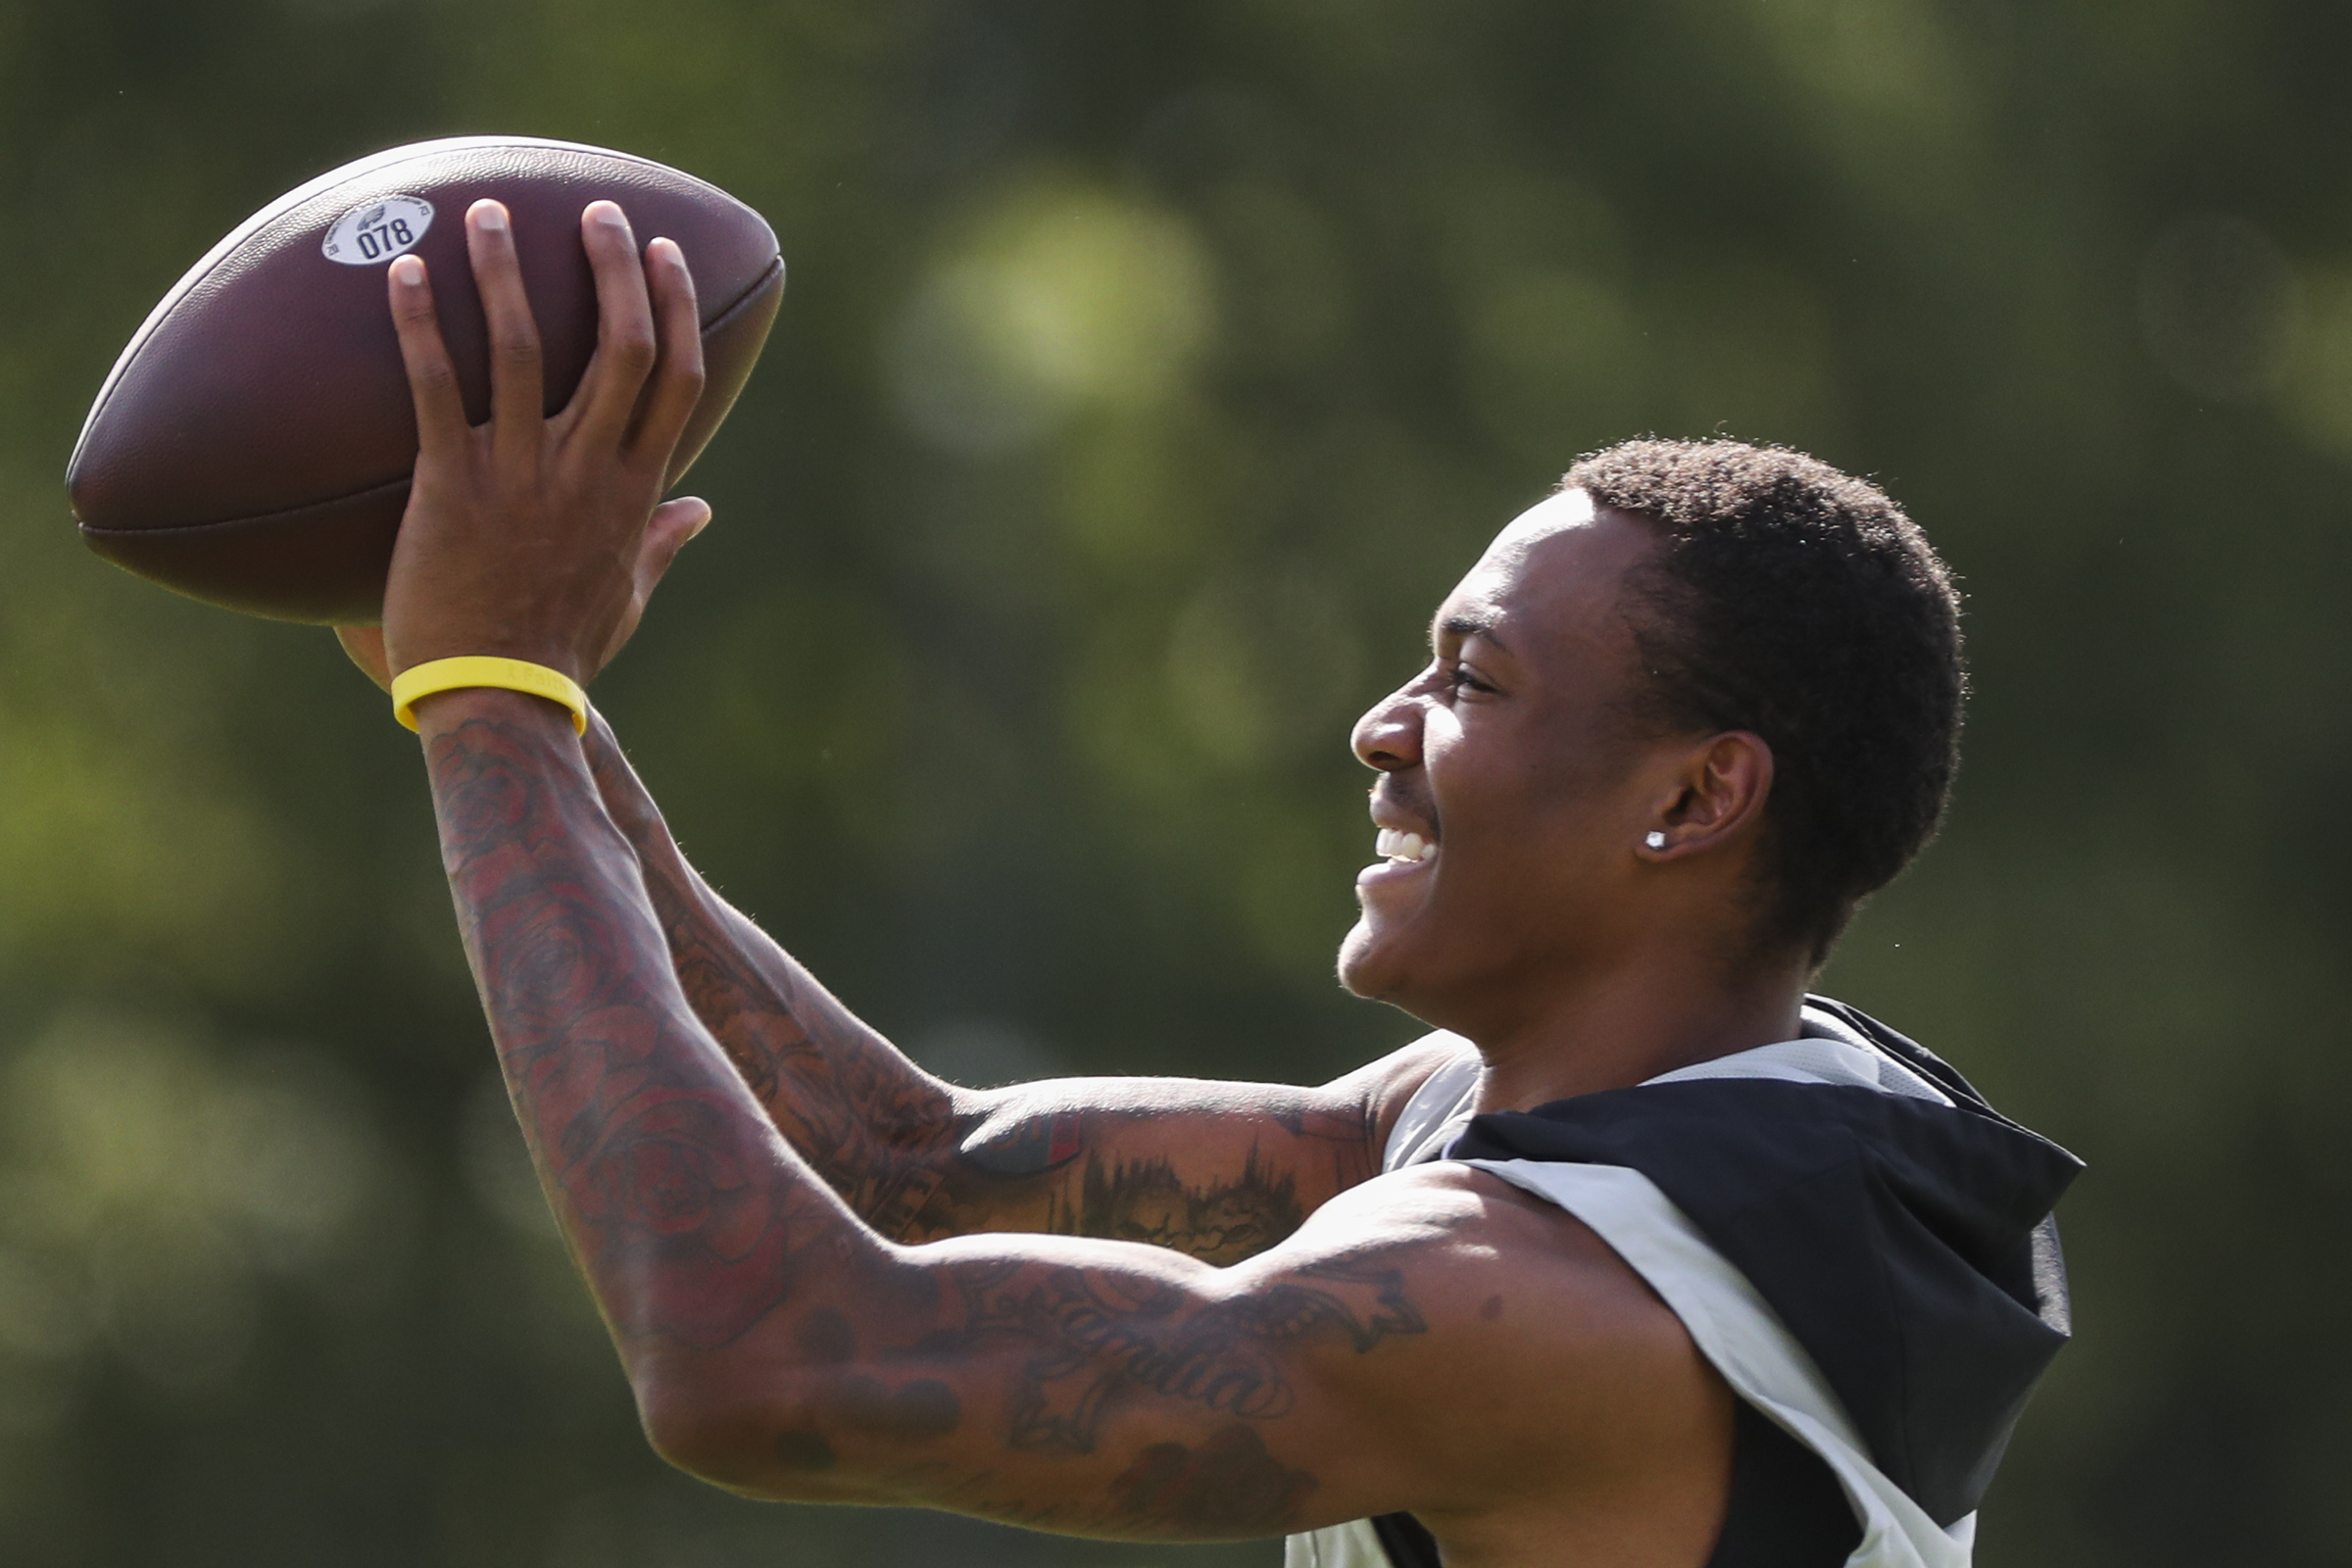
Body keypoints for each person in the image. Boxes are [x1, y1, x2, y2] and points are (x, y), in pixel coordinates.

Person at [340, 196, 2080, 1568]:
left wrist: (489, 703)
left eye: (1472, 679)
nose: (1381, 728)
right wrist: (526, 702)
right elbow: (912, 1162)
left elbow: (758, 1358)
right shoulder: (1713, 1099)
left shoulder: (1533, 1305)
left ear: (1700, 798)